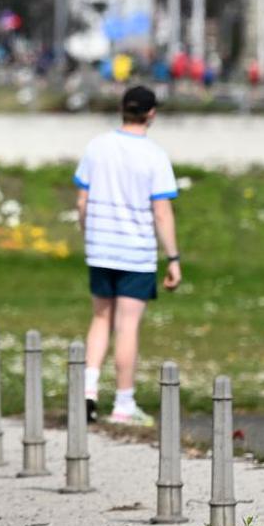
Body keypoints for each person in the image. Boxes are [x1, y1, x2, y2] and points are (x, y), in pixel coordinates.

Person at [73, 86, 182, 426]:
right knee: (128, 325)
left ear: (122, 109)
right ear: (152, 114)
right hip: (135, 251)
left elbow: (81, 201)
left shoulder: (97, 147)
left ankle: (87, 391)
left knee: (100, 319)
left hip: (101, 247)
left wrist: (87, 231)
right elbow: (162, 212)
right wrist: (173, 258)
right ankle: (123, 403)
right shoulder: (154, 156)